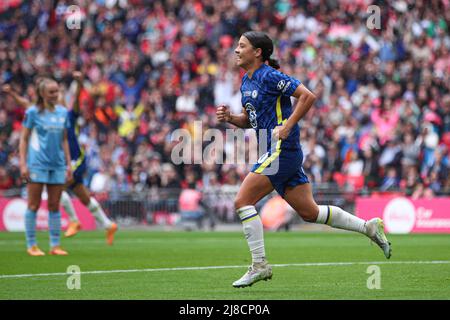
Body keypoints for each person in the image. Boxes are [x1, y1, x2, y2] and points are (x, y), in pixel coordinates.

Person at [216, 31, 392, 288]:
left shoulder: (269, 75)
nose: (236, 50)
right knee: (310, 212)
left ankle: (260, 265)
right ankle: (368, 227)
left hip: (281, 150)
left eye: (242, 46)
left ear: (258, 52)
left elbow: (308, 95)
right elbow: (249, 120)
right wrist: (231, 118)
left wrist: (287, 125)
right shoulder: (246, 82)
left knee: (243, 200)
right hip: (274, 151)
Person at [4, 72, 118, 245]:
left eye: (59, 94)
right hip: (60, 161)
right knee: (82, 195)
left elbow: (78, 100)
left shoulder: (69, 114)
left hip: (74, 160)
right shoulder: (43, 113)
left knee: (56, 191)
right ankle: (108, 224)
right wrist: (12, 94)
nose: (58, 98)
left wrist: (79, 83)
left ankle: (74, 221)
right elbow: (27, 104)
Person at [19, 77, 72, 256]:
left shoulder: (63, 112)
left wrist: (68, 164)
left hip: (57, 165)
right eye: (51, 92)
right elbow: (24, 138)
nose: (55, 95)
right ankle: (31, 245)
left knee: (54, 205)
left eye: (57, 91)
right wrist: (22, 163)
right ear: (42, 94)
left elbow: (65, 139)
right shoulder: (32, 113)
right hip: (37, 165)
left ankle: (55, 245)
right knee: (33, 205)